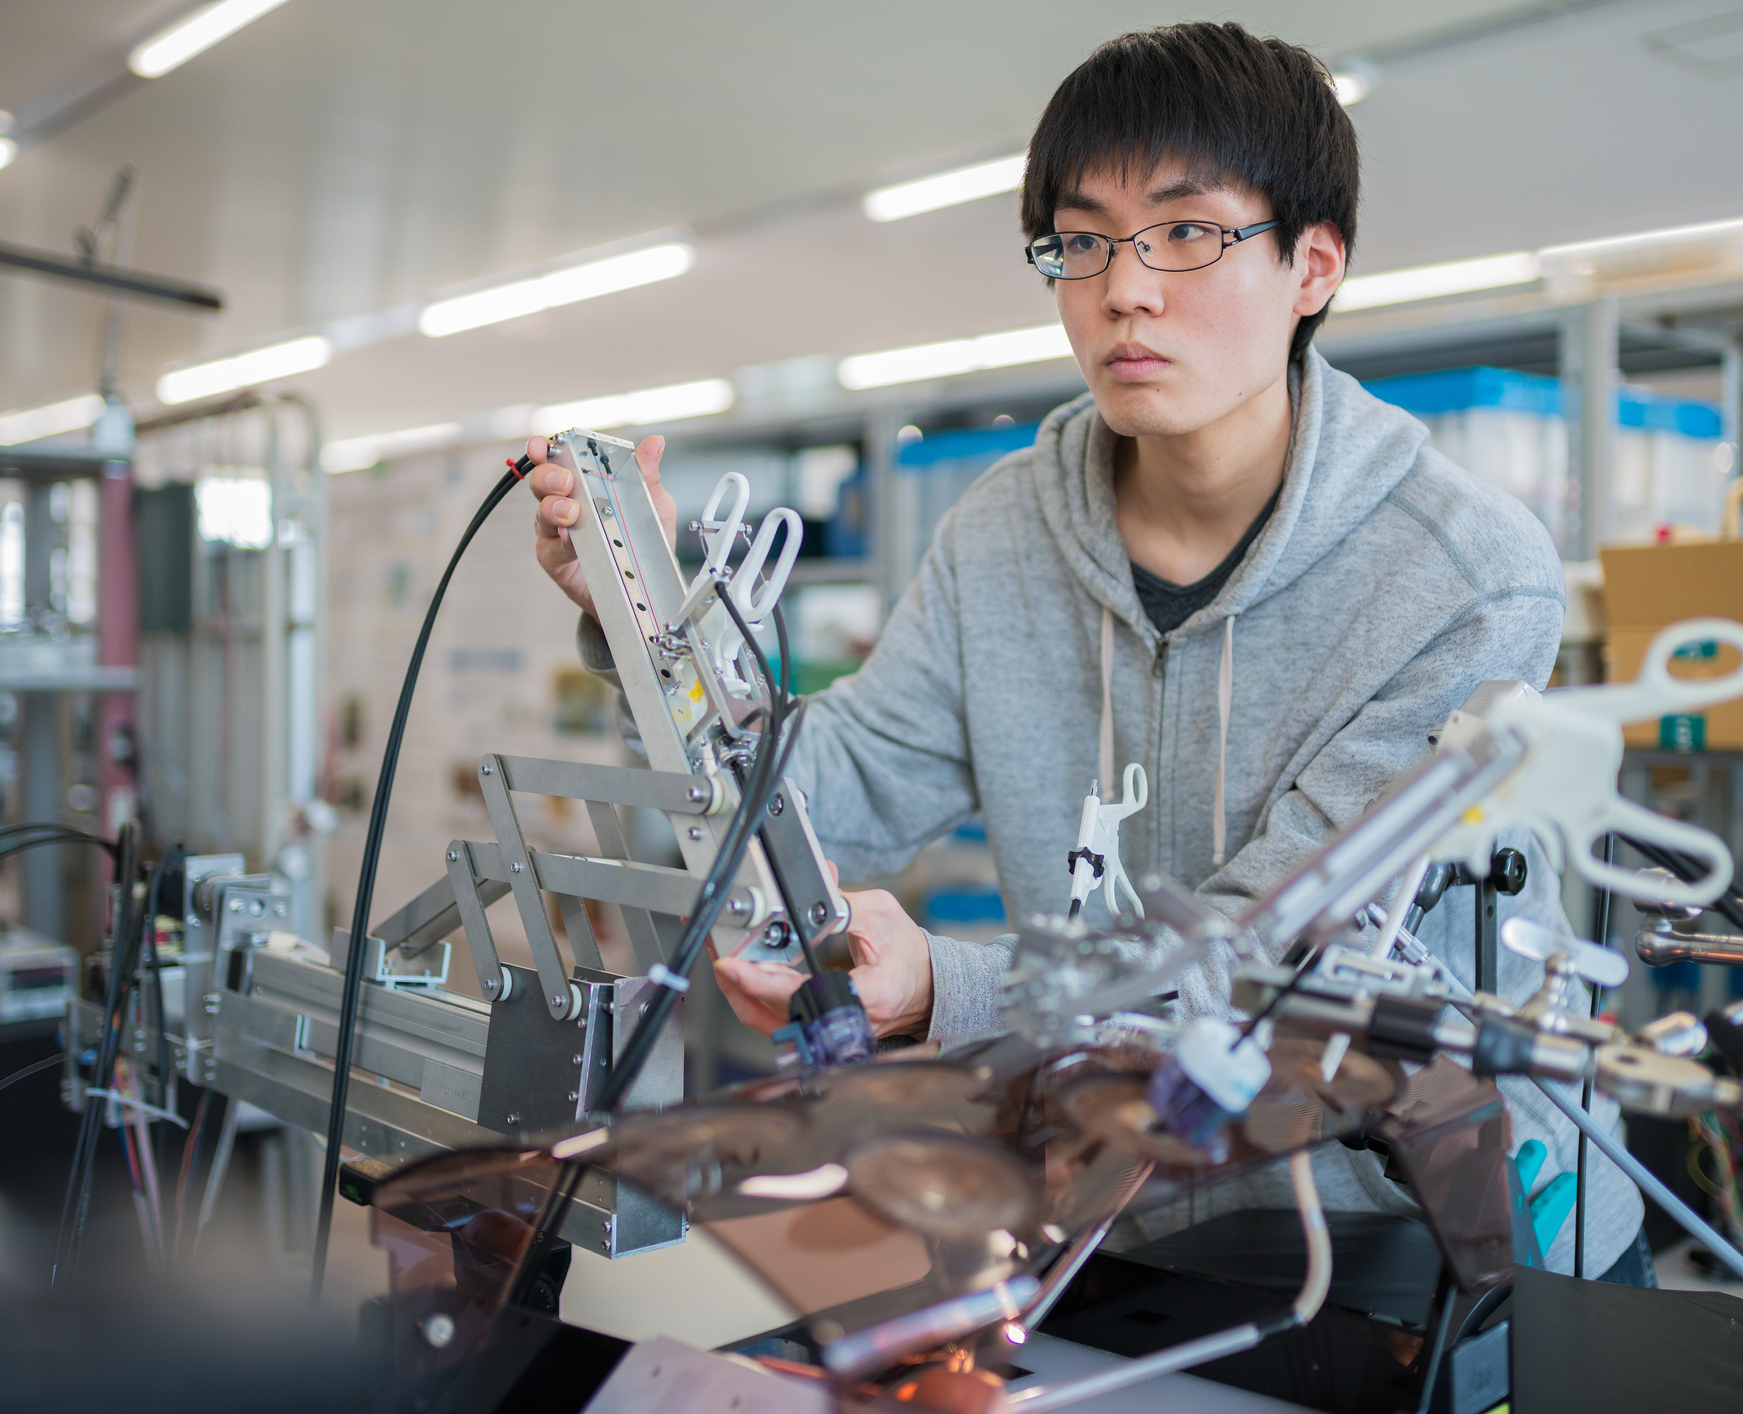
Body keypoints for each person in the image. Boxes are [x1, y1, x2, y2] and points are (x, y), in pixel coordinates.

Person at [528, 21, 1650, 1283]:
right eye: (1081, 240)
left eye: (1186, 232)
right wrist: (645, 612)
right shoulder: (1003, 529)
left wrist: (941, 986)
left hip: (1427, 1230)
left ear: (1311, 266)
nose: (1123, 287)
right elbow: (817, 796)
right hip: (1115, 1206)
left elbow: (1266, 959)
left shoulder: (1459, 575)